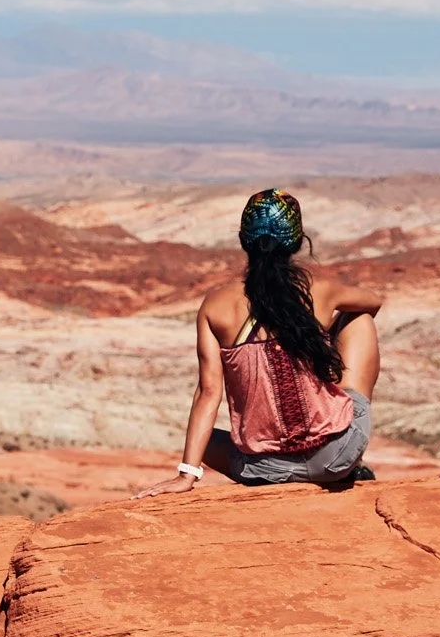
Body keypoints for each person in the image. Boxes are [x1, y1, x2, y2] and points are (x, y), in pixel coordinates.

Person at [138, 189, 382, 497]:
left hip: (263, 469)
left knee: (209, 441)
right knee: (359, 318)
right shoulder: (319, 289)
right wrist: (324, 335)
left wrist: (187, 474)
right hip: (336, 458)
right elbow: (373, 302)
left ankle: (275, 469)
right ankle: (349, 464)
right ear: (297, 241)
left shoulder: (216, 305)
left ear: (243, 241)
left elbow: (209, 391)